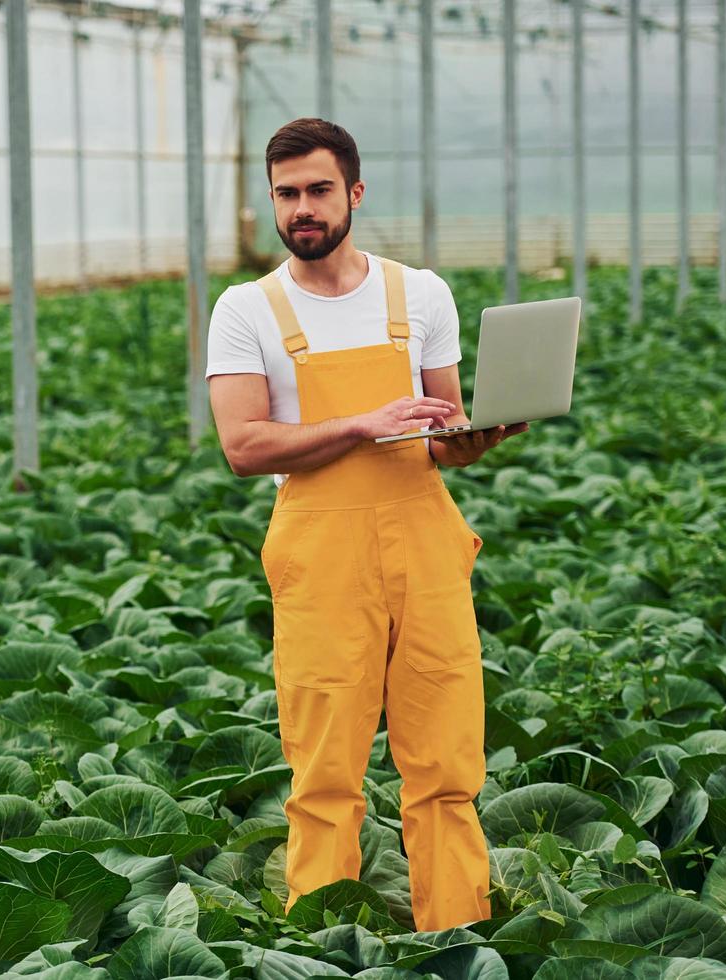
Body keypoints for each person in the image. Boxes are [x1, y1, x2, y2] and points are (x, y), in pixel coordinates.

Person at [205, 117, 528, 932]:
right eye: (286, 195)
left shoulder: (419, 293)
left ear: (354, 191)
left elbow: (442, 434)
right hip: (321, 554)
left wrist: (476, 438)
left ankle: (457, 935)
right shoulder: (246, 308)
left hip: (424, 544)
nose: (302, 209)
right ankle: (320, 941)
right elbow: (244, 447)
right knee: (323, 773)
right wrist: (361, 424)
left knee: (448, 763)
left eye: (318, 190)